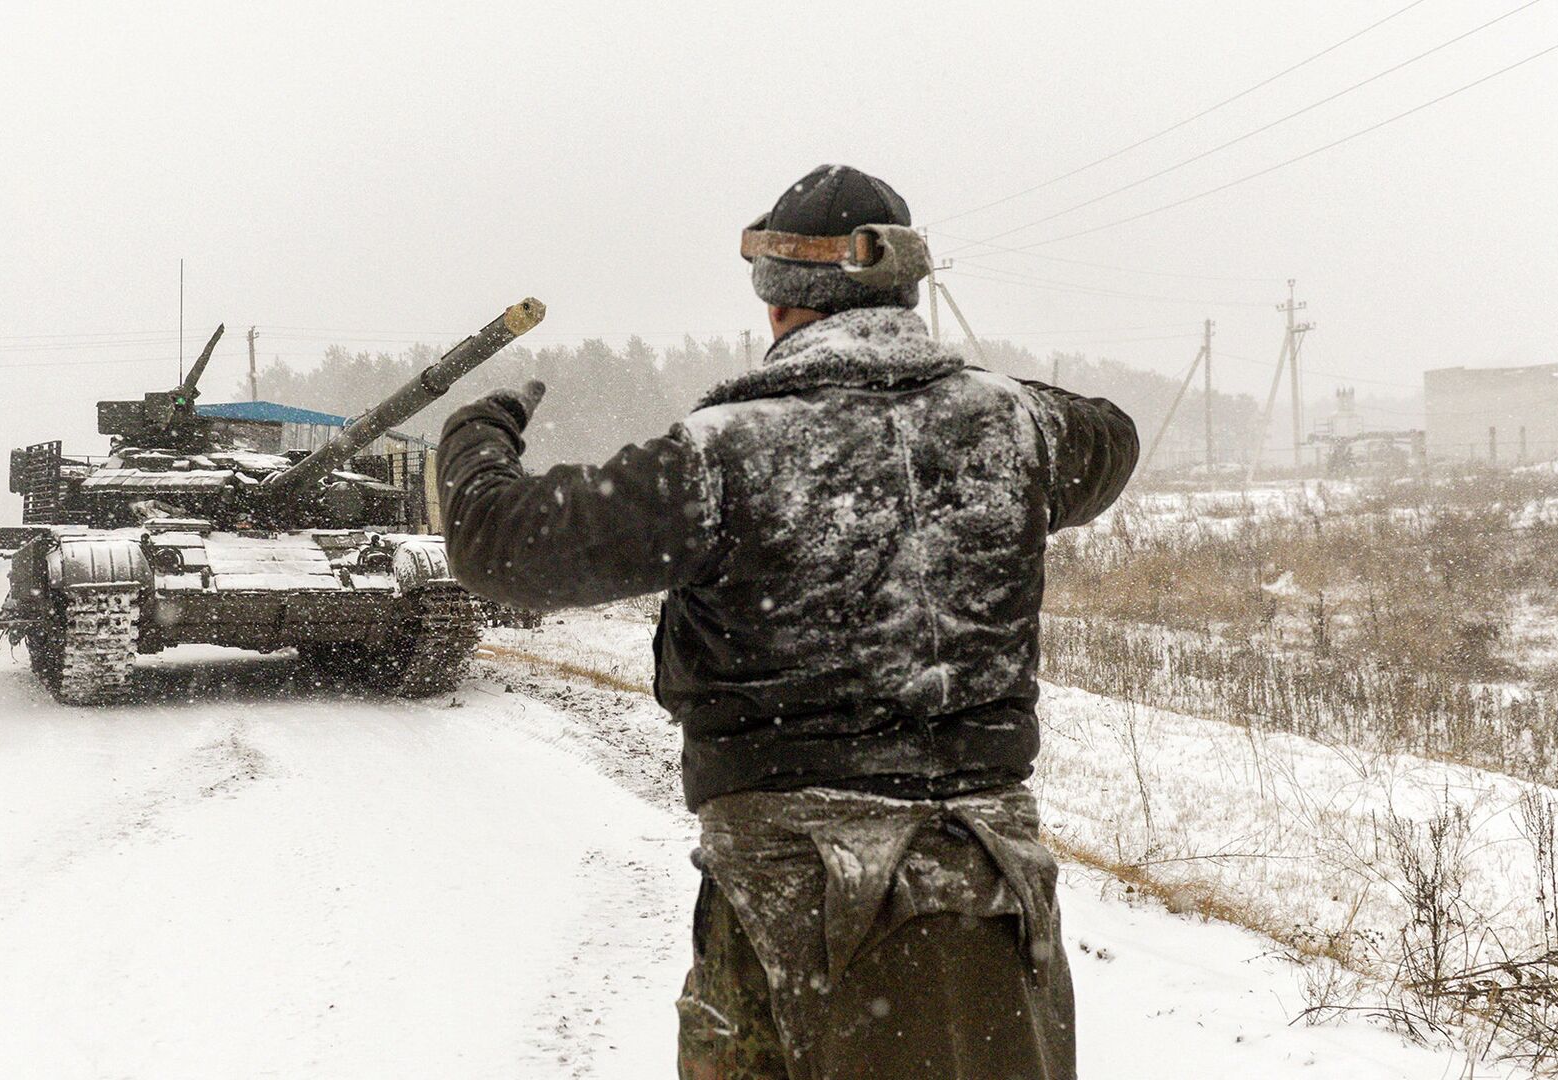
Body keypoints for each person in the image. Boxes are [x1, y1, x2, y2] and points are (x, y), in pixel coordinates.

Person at [437, 164, 1138, 1079]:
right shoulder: (1019, 427)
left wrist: (475, 432)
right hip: (993, 891)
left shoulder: (724, 457)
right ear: (907, 290)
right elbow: (1113, 435)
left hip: (792, 897)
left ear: (777, 306)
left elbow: (498, 542)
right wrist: (961, 391)